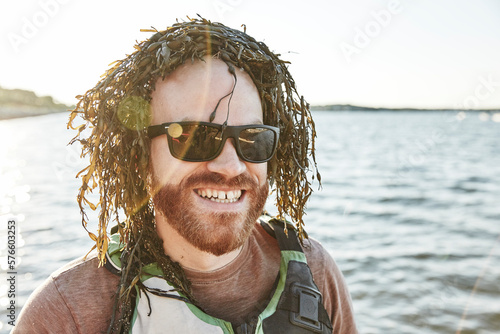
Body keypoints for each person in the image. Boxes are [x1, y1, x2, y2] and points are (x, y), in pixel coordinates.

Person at [14, 17, 357, 333]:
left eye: (253, 139)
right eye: (195, 137)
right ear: (139, 157)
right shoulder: (66, 312)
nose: (231, 166)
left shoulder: (316, 272)